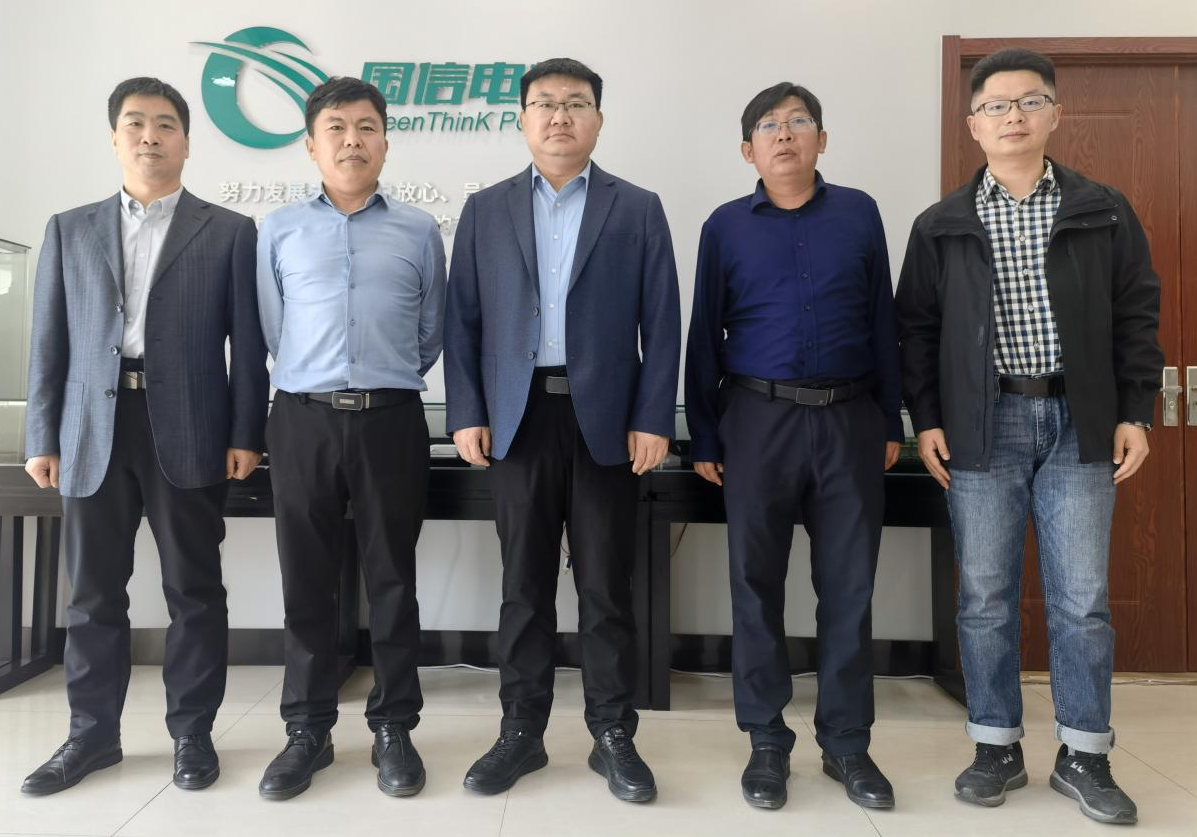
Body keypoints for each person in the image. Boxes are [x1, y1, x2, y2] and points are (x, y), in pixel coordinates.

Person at [896, 47, 1161, 826]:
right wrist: (926, 419)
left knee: (1081, 601)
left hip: (1080, 421)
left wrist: (1134, 409)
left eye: (1027, 101)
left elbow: (1135, 312)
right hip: (982, 425)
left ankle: (1084, 754)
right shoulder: (941, 224)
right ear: (972, 124)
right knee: (984, 596)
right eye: (995, 105)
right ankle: (994, 745)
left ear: (1053, 115)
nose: (1011, 116)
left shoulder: (1101, 209)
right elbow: (915, 331)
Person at [22, 77, 268, 795]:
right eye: (135, 123)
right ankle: (91, 736)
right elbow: (48, 340)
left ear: (187, 142)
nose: (150, 136)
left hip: (191, 427)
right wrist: (42, 433)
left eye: (165, 124)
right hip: (90, 429)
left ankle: (192, 734)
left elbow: (248, 347)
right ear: (114, 138)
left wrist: (246, 431)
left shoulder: (229, 231)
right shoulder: (69, 228)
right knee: (93, 594)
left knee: (195, 589)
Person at [444, 57, 679, 802]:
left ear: (598, 120)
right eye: (544, 103)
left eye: (575, 103)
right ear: (522, 119)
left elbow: (662, 323)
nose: (559, 116)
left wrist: (652, 417)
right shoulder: (485, 210)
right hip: (517, 419)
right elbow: (461, 320)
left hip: (605, 420)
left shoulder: (636, 207)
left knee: (607, 584)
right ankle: (522, 731)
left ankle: (612, 733)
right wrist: (466, 411)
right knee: (523, 585)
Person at [685, 83, 903, 812]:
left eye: (799, 122)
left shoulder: (859, 213)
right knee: (754, 586)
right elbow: (703, 333)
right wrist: (705, 433)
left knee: (849, 588)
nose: (785, 134)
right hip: (757, 421)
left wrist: (891, 421)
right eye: (769, 126)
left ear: (821, 139)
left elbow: (883, 321)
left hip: (850, 420)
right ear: (747, 150)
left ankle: (847, 743)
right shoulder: (724, 226)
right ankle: (766, 741)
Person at [255, 76, 445, 801]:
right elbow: (274, 329)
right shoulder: (278, 230)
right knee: (306, 579)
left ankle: (394, 726)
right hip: (301, 418)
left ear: (386, 143)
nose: (352, 141)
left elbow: (429, 333)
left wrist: (382, 378)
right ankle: (307, 729)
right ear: (311, 145)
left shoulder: (419, 231)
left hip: (391, 418)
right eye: (336, 128)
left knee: (393, 578)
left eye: (366, 128)